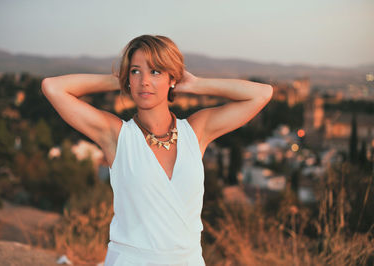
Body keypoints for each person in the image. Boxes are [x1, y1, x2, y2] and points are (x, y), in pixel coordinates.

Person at [41, 34, 273, 266]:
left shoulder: (196, 131)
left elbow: (262, 94)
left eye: (155, 71)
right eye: (135, 71)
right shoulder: (117, 136)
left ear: (173, 77)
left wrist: (195, 84)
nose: (144, 81)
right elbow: (53, 87)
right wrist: (120, 80)